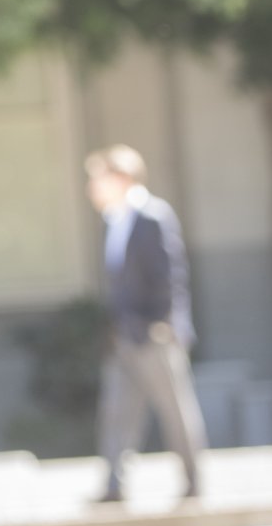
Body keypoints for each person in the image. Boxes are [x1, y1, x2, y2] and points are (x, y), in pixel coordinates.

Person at [86, 145, 208, 505]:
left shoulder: (153, 215)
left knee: (175, 411)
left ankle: (193, 480)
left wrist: (165, 324)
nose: (92, 189)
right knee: (117, 411)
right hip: (125, 335)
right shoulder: (113, 220)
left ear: (121, 178)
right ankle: (113, 484)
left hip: (155, 334)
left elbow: (171, 276)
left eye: (98, 180)